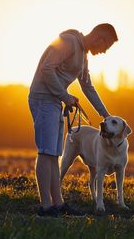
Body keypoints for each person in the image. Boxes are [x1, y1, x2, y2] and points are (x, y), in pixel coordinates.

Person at [28, 23, 117, 218]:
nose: (103, 52)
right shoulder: (68, 42)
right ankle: (45, 208)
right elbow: (47, 68)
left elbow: (88, 87)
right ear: (99, 37)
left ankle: (58, 205)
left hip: (54, 101)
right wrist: (65, 95)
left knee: (54, 154)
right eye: (106, 46)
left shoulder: (83, 57)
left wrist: (106, 115)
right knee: (45, 153)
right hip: (43, 99)